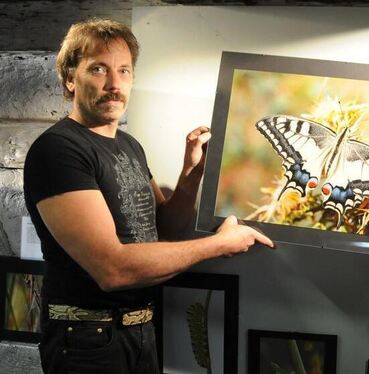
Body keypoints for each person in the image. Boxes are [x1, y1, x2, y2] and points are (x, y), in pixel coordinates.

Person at [23, 18, 274, 374]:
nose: (114, 84)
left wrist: (191, 175)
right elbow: (112, 269)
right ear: (69, 78)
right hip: (86, 339)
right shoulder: (59, 150)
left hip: (140, 330)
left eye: (124, 71)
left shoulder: (128, 145)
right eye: (98, 69)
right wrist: (219, 245)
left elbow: (165, 227)